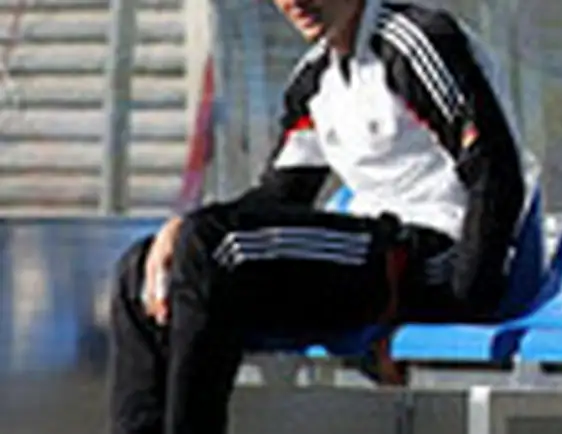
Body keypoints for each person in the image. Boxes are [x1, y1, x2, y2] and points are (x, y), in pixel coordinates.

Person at [108, 0, 538, 432]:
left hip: (437, 260)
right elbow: (278, 199)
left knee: (208, 246)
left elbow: (496, 172)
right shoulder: (315, 79)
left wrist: (463, 303)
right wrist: (181, 229)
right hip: (366, 263)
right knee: (144, 271)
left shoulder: (416, 41)